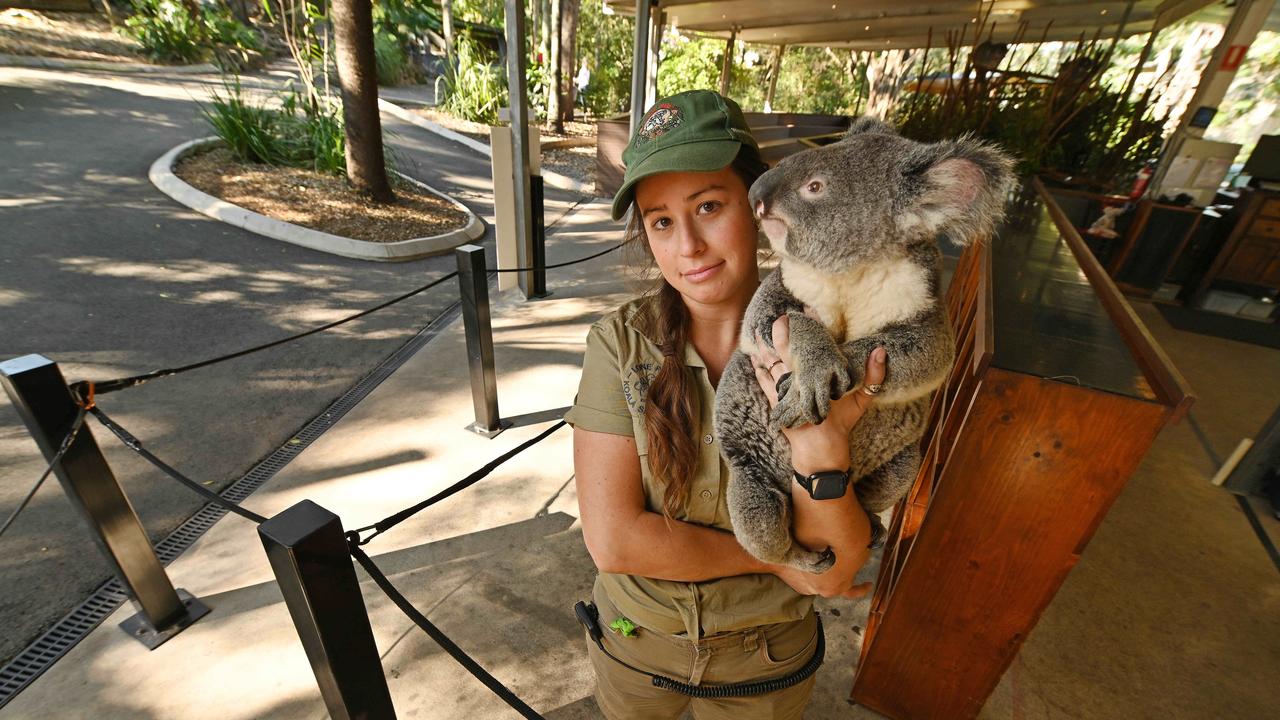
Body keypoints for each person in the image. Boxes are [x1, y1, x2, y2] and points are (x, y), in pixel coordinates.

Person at [564, 89, 887, 719]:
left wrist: (820, 453)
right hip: (635, 644)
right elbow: (614, 540)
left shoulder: (830, 347)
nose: (687, 246)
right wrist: (778, 558)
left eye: (708, 206)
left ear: (760, 205)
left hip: (766, 658)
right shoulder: (619, 345)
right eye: (660, 221)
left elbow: (839, 559)